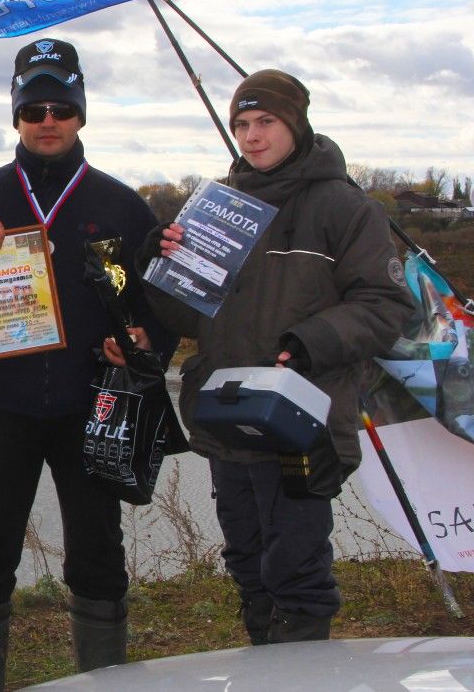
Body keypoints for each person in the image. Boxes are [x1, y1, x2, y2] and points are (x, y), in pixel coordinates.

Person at [0, 38, 173, 686]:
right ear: (16, 118)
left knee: (98, 555)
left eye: (60, 107)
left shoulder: (119, 204)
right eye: (34, 110)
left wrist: (143, 349)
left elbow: (156, 310)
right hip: (0, 403)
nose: (47, 120)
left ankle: (104, 679)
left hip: (93, 403)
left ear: (80, 113)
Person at [129, 69, 412, 644]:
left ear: (296, 124)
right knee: (248, 563)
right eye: (241, 125)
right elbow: (186, 320)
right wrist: (155, 269)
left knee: (297, 569)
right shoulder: (214, 206)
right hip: (227, 414)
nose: (251, 137)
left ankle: (302, 670)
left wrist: (312, 341)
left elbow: (387, 306)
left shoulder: (344, 205)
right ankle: (265, 659)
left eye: (265, 123)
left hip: (302, 420)